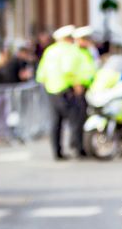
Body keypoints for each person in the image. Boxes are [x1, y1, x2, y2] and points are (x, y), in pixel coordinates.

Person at [35, 25, 95, 159]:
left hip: (51, 90)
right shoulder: (70, 50)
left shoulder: (49, 51)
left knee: (56, 122)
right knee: (76, 120)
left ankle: (57, 151)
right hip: (68, 90)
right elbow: (69, 69)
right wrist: (76, 85)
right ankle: (77, 148)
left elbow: (41, 74)